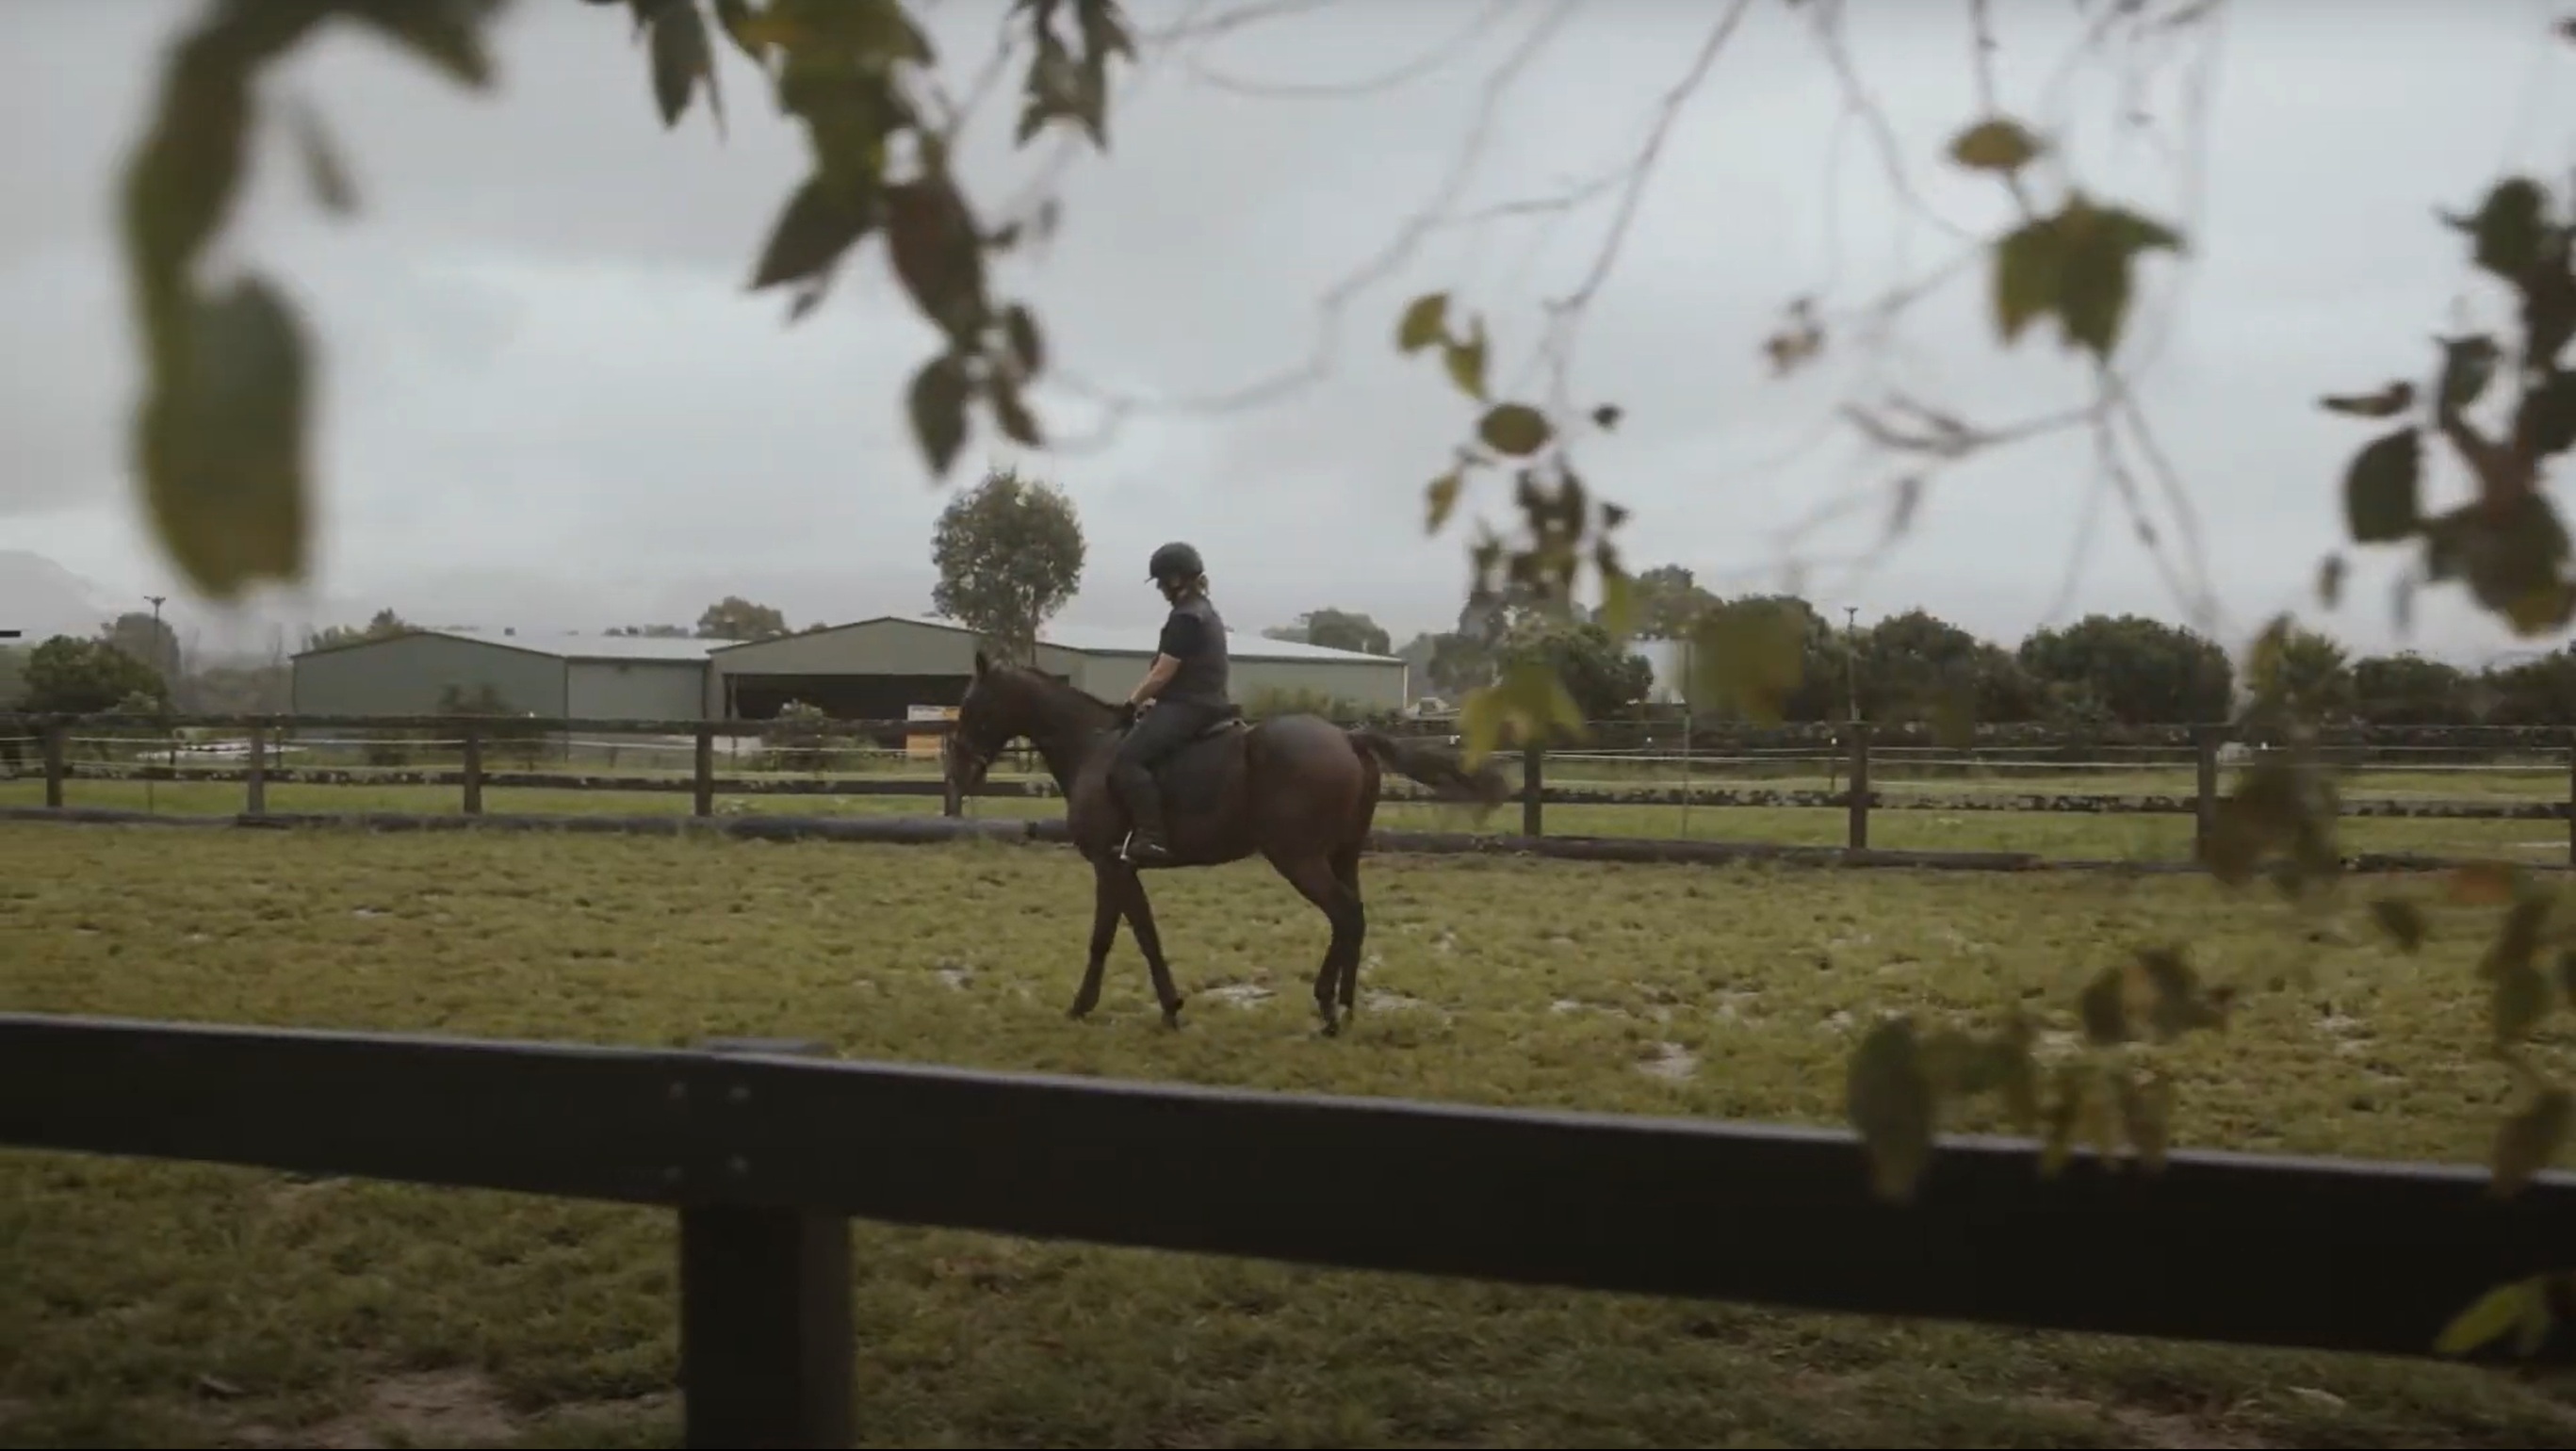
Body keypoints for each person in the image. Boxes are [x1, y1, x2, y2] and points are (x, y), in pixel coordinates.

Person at [1110, 540, 1232, 865]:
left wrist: (1131, 703)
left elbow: (1162, 672)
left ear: (1175, 579)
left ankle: (1152, 838)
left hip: (1190, 707)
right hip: (1208, 701)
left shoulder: (1184, 617)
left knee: (1127, 760)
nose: (1161, 589)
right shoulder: (1206, 610)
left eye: (1162, 581)